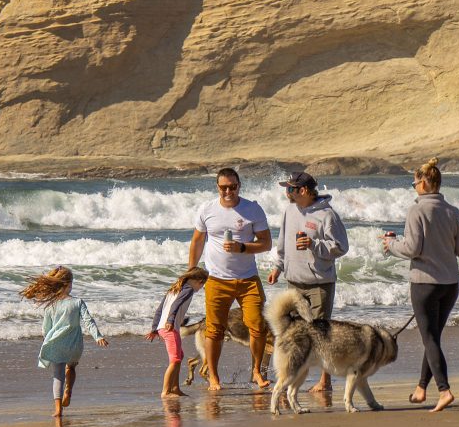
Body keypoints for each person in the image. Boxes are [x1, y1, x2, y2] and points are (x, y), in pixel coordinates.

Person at [383, 159, 459, 412]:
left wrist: (390, 245)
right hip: (450, 284)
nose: (414, 187)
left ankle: (444, 390)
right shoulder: (453, 211)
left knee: (430, 338)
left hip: (424, 283)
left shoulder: (417, 211)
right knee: (432, 337)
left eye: (414, 183)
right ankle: (422, 388)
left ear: (423, 183)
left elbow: (413, 249)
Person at [188, 168, 272, 390]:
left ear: (239, 186)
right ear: (217, 187)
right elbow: (197, 241)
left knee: (258, 327)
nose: (228, 191)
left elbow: (266, 243)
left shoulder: (252, 210)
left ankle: (256, 371)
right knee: (214, 330)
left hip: (248, 279)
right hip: (217, 279)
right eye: (223, 187)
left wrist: (242, 247)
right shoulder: (207, 209)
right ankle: (213, 377)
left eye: (232, 187)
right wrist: (191, 272)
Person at [267, 171, 348, 393]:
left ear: (303, 191)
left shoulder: (327, 215)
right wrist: (278, 267)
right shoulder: (290, 210)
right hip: (294, 281)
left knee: (321, 333)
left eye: (290, 189)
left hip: (319, 283)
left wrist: (314, 244)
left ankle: (325, 381)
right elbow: (283, 244)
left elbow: (341, 247)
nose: (287, 193)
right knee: (293, 333)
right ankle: (292, 377)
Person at [20, 266, 109, 417]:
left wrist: (47, 341)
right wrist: (98, 336)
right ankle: (69, 390)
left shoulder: (50, 305)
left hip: (57, 343)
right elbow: (88, 321)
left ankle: (57, 409)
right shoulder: (78, 302)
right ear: (68, 284)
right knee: (71, 368)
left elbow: (45, 329)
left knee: (58, 374)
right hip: (74, 344)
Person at [146, 267, 210, 397]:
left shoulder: (174, 289)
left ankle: (175, 388)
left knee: (179, 356)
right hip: (170, 327)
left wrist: (154, 329)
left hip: (163, 327)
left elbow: (159, 310)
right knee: (175, 359)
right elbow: (176, 304)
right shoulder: (188, 289)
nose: (202, 287)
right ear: (199, 281)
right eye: (203, 284)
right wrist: (170, 320)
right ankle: (165, 391)